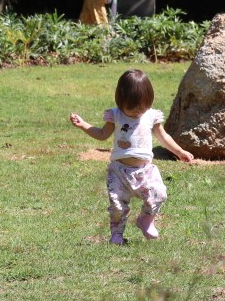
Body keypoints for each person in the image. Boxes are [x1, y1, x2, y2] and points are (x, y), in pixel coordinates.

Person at [69, 69, 195, 244]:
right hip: (119, 172)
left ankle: (145, 220)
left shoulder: (151, 116)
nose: (137, 111)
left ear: (149, 101)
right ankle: (117, 235)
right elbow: (102, 134)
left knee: (159, 194)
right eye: (131, 107)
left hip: (145, 170)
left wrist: (180, 152)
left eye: (142, 107)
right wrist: (83, 125)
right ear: (120, 101)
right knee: (117, 206)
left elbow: (163, 137)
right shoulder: (116, 115)